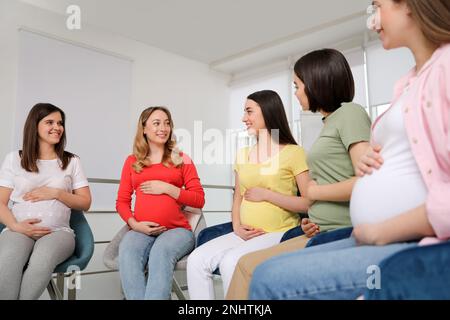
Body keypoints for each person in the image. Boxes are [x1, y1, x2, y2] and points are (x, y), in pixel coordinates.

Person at [249, 0, 450, 300]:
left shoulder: (444, 68)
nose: (372, 19)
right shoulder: (408, 83)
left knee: (267, 278)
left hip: (404, 236)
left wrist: (382, 229)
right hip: (365, 231)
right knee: (264, 271)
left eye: (377, 6)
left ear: (408, 5)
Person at [226, 49, 372, 299]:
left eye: (297, 85)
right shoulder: (330, 121)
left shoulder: (350, 113)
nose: (295, 93)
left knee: (251, 269)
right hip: (316, 228)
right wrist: (311, 216)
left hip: (341, 230)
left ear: (316, 82)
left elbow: (367, 180)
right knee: (244, 266)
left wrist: (315, 193)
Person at [187, 90, 310, 299]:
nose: (244, 118)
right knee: (196, 260)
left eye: (249, 111)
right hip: (243, 232)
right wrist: (237, 226)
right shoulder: (242, 154)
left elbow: (308, 202)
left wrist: (267, 195)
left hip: (278, 232)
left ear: (268, 112)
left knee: (231, 262)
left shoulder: (294, 153)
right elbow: (237, 198)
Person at [0, 103, 92, 300]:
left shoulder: (71, 161)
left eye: (60, 123)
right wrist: (16, 226)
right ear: (34, 126)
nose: (57, 127)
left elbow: (85, 202)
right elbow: (0, 202)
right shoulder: (14, 159)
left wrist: (56, 193)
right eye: (49, 122)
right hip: (19, 229)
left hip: (58, 232)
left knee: (42, 260)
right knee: (7, 259)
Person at [116, 106, 205, 300]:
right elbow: (122, 202)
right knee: (127, 251)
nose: (163, 128)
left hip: (177, 231)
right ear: (144, 129)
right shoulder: (132, 161)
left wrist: (168, 188)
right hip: (140, 229)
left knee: (160, 252)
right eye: (156, 123)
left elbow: (199, 199)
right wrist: (134, 225)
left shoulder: (182, 159)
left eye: (167, 123)